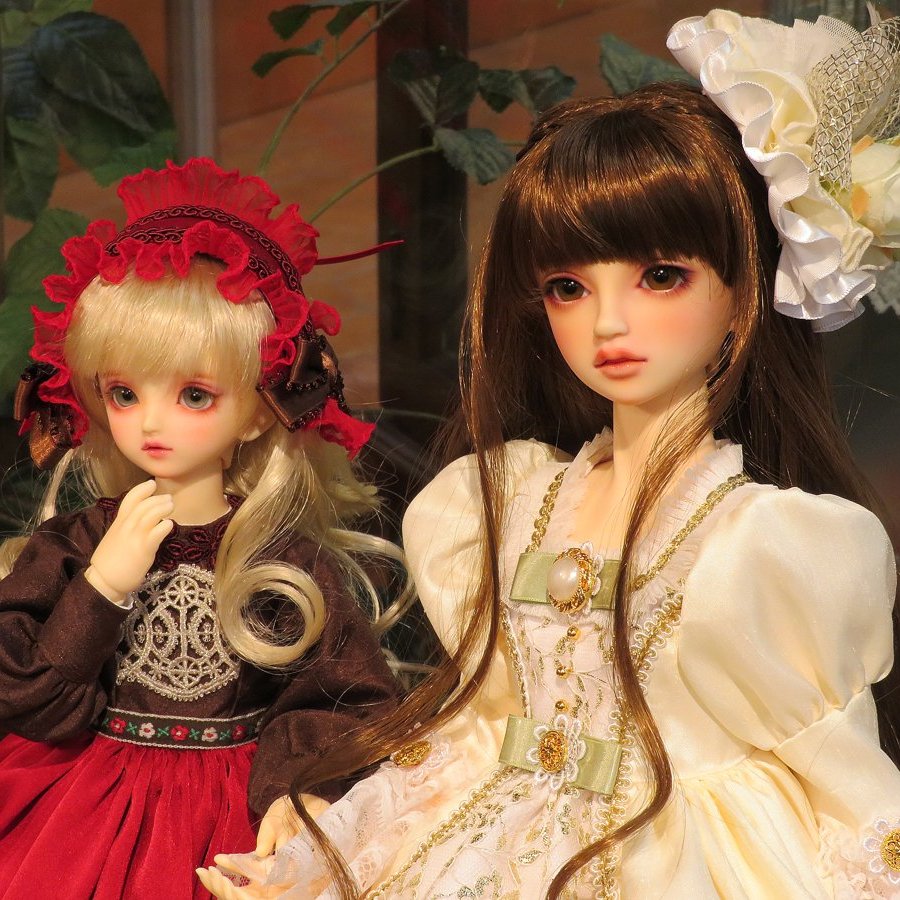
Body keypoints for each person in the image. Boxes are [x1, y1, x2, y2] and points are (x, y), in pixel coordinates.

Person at [203, 9, 900, 899]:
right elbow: (472, 735)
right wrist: (329, 847)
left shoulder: (767, 549)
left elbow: (842, 782)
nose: (609, 323)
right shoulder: (504, 501)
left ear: (742, 295)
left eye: (660, 277)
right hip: (486, 846)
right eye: (569, 288)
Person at [0, 157, 403, 899]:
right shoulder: (77, 545)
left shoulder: (282, 564)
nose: (151, 422)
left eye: (194, 395)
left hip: (233, 812)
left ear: (257, 411)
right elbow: (25, 695)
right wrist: (100, 588)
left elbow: (344, 697)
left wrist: (301, 792)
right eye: (124, 392)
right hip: (84, 802)